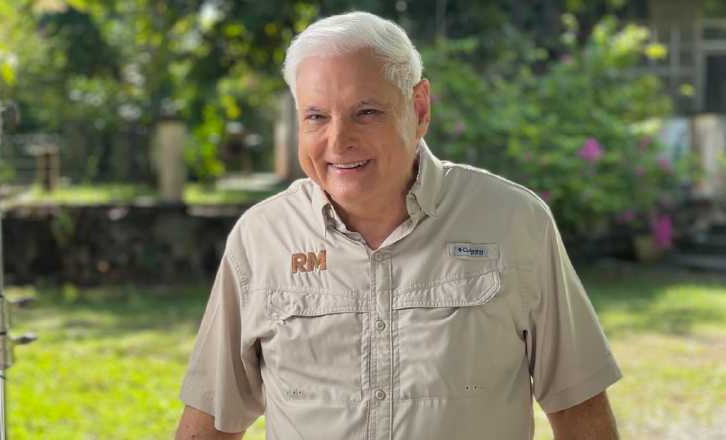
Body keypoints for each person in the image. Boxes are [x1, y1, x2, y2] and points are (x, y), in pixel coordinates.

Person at [175, 11, 622, 440]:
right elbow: (212, 420)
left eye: (365, 112)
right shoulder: (261, 238)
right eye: (316, 116)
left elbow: (578, 406)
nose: (338, 140)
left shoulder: (514, 223)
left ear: (420, 107)